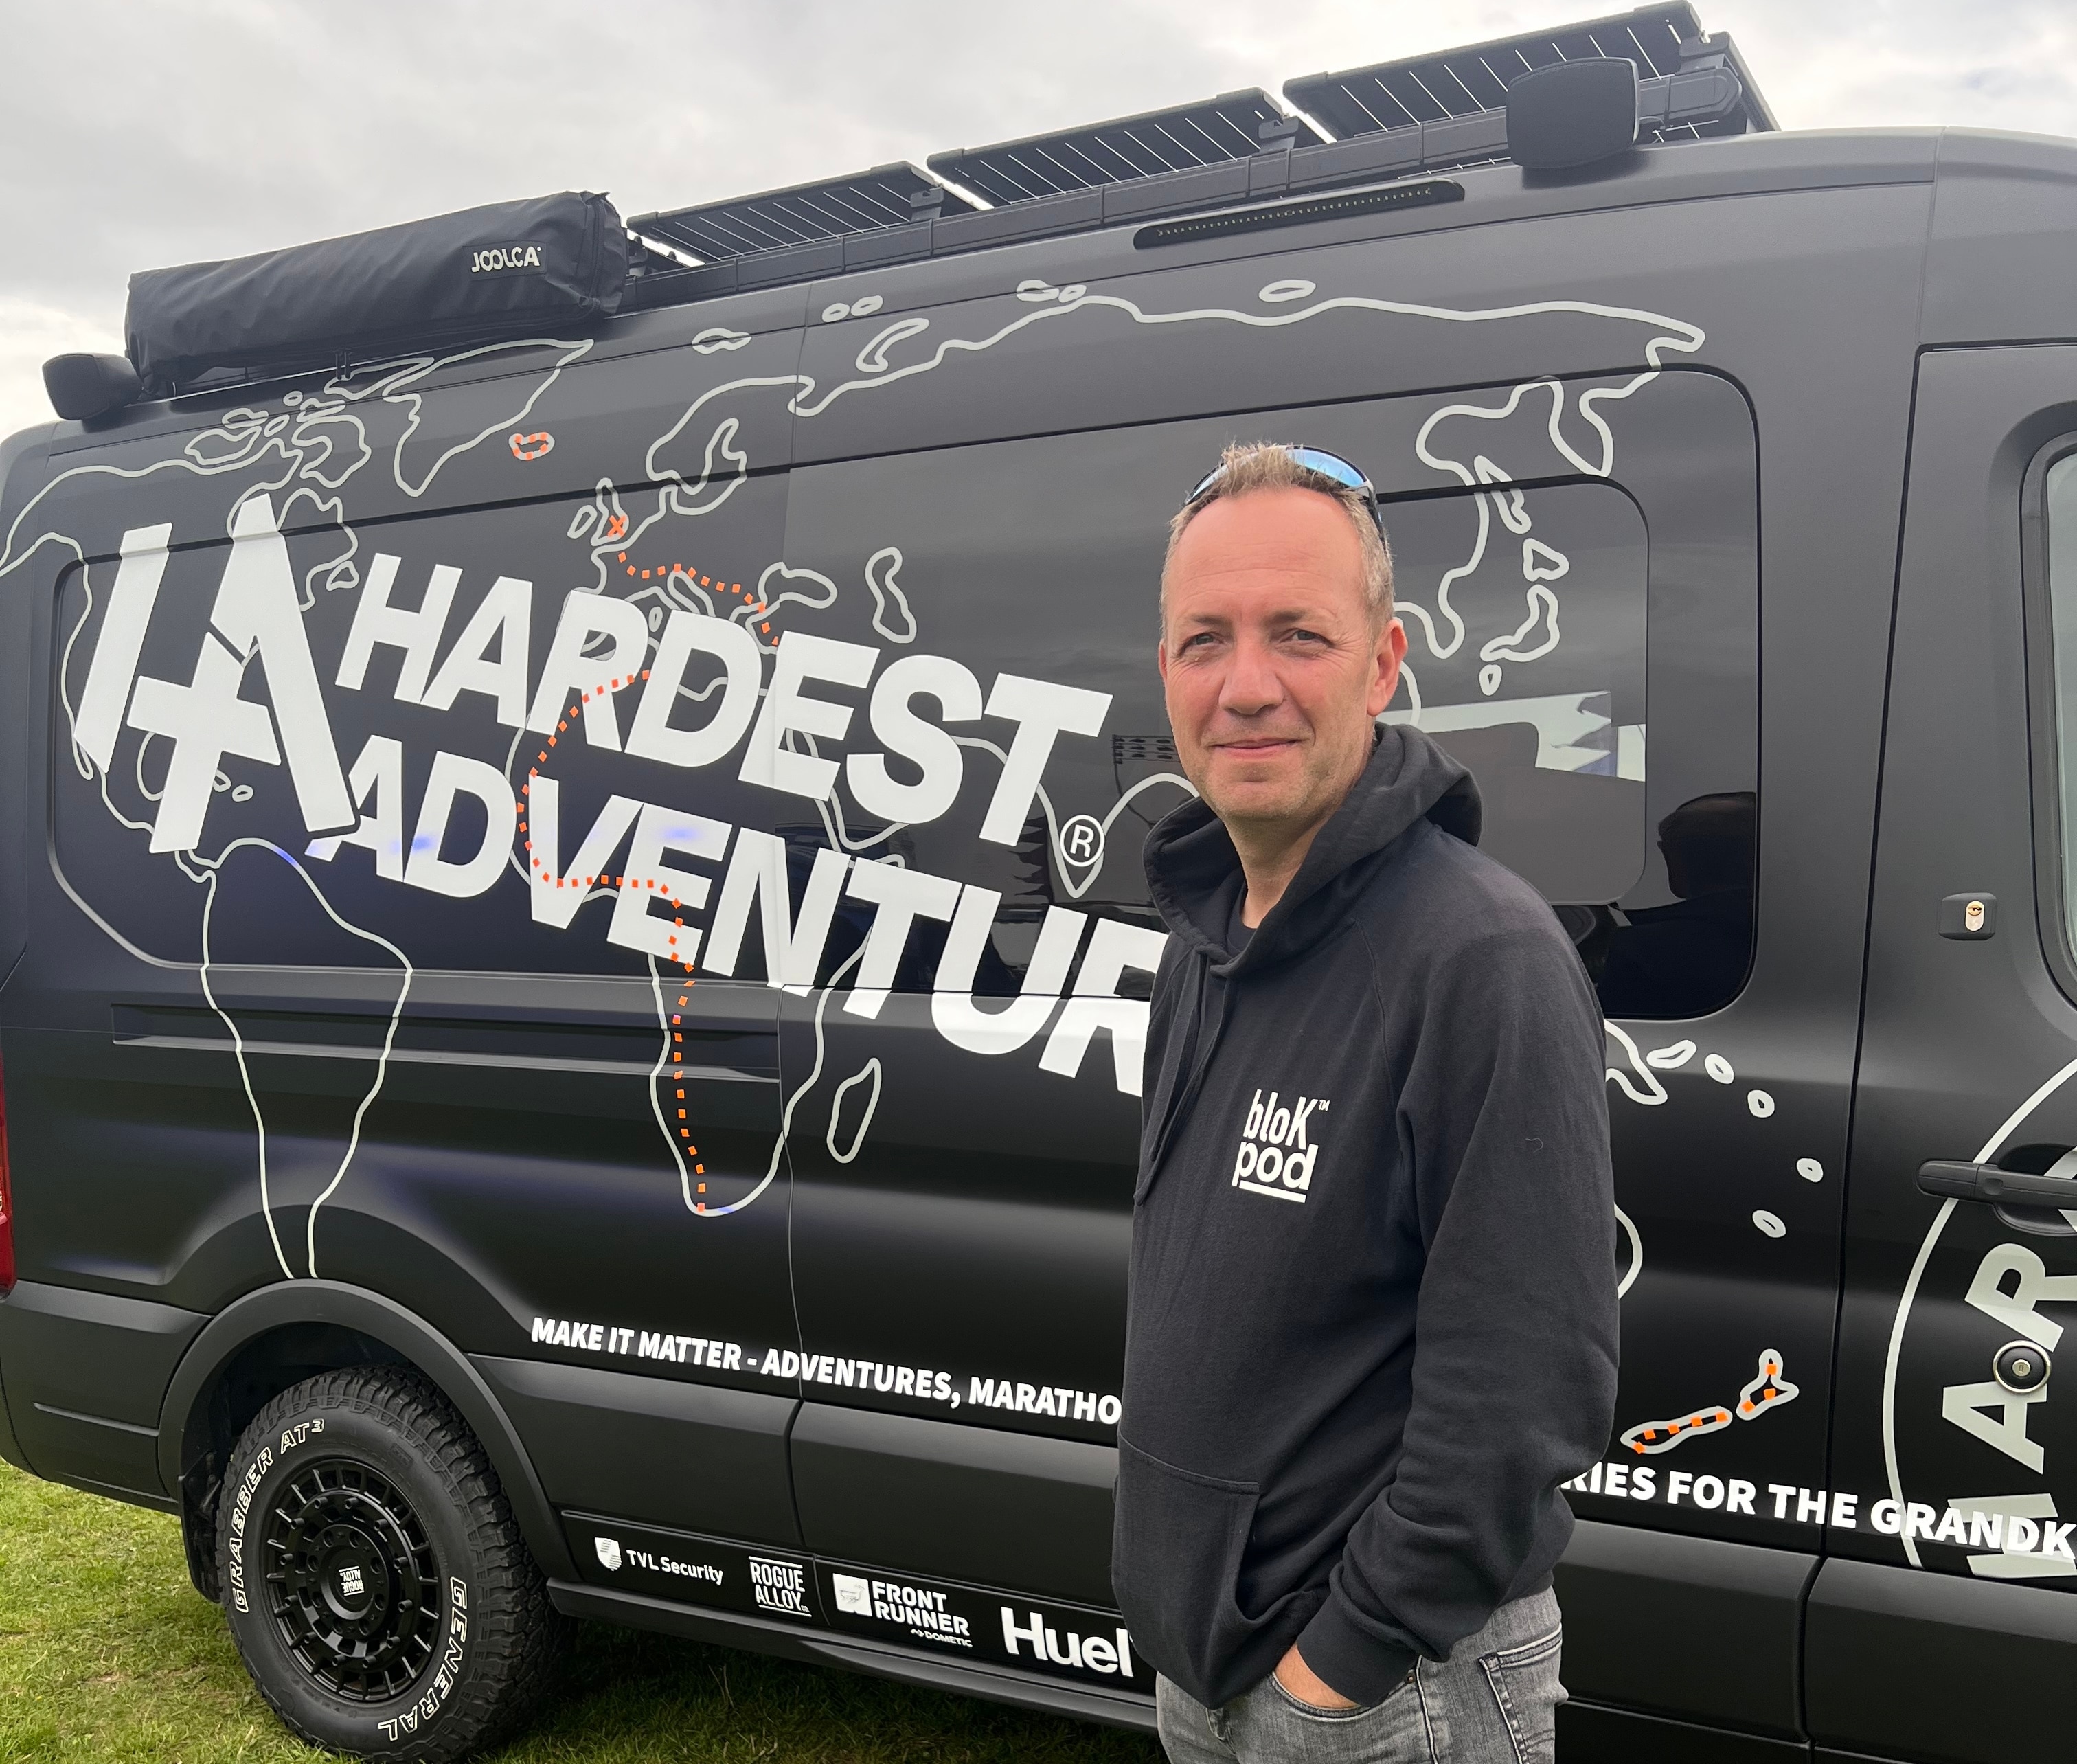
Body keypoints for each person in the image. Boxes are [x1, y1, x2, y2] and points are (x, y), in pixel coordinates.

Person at [1114, 442, 1619, 1763]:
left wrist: (1338, 1667)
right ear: (1165, 671)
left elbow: (1526, 1388)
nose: (1247, 685)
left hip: (1393, 1689)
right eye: (1203, 641)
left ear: (1386, 663)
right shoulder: (1201, 937)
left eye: (1299, 635)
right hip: (1206, 1658)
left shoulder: (1481, 957)